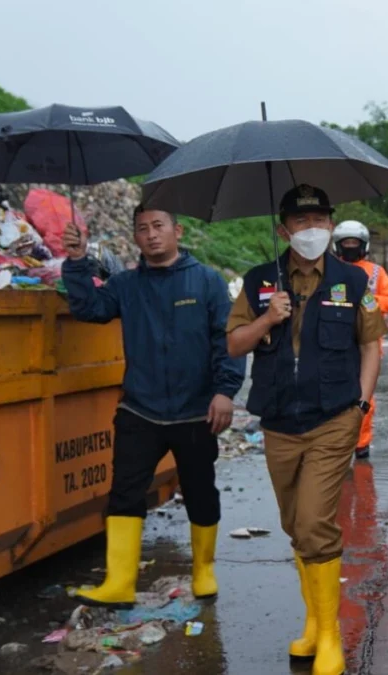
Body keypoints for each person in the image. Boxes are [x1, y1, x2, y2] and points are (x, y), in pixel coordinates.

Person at [226, 184, 385, 675]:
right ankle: (314, 625)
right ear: (283, 229)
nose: (313, 230)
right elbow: (234, 344)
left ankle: (333, 637)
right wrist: (267, 319)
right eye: (302, 222)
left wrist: (360, 402)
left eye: (320, 220)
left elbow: (372, 344)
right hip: (278, 422)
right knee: (295, 524)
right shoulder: (257, 283)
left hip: (333, 418)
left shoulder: (352, 281)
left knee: (317, 521)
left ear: (331, 225)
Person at [60, 207, 244, 609]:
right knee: (124, 493)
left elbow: (227, 339)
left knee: (200, 491)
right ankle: (120, 583)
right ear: (136, 238)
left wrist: (225, 391)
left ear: (177, 230)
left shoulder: (207, 281)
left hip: (197, 410)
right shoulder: (126, 284)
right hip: (141, 409)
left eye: (158, 226)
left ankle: (204, 570)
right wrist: (76, 263)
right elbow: (89, 309)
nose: (151, 235)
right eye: (142, 229)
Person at [331, 220, 388, 459]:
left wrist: (367, 301)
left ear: (364, 245)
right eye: (346, 243)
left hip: (368, 346)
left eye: (355, 243)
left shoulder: (375, 272)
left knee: (364, 397)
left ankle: (361, 444)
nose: (350, 247)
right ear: (337, 246)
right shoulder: (328, 269)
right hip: (333, 343)